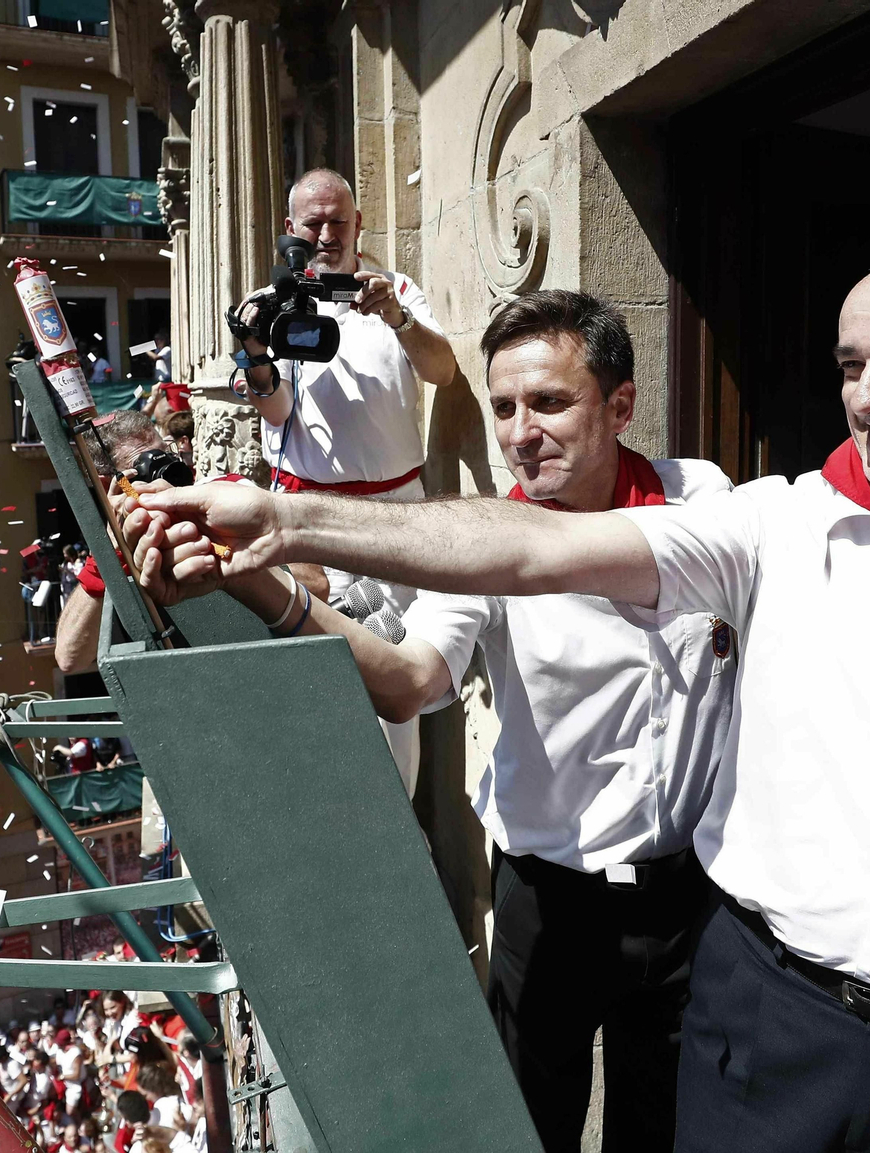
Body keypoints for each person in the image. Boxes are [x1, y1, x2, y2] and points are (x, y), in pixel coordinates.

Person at [130, 242, 870, 1153]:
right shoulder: (765, 524)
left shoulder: (710, 494)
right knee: (538, 1117)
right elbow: (478, 601)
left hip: (747, 937)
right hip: (600, 924)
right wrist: (280, 534)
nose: (868, 397)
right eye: (851, 366)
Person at [124, 290, 734, 1150]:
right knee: (528, 1130)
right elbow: (405, 681)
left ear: (621, 404)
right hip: (551, 905)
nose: (522, 431)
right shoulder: (481, 546)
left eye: (550, 402)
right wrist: (254, 576)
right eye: (506, 407)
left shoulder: (700, 496)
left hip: (690, 902)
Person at [228, 167, 458, 797]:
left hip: (394, 521)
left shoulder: (398, 291)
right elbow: (275, 410)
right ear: (290, 230)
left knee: (394, 690)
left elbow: (443, 370)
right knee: (317, 677)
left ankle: (398, 831)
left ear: (359, 224)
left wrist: (398, 318)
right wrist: (253, 358)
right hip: (310, 523)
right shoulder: (268, 306)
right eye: (314, 223)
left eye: (339, 221)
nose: (327, 234)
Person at [52, 408, 327, 675]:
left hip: (280, 668)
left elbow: (317, 584)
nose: (170, 471)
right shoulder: (118, 550)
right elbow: (69, 658)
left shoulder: (228, 493)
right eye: (148, 466)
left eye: (166, 454)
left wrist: (210, 536)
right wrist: (108, 557)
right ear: (107, 486)